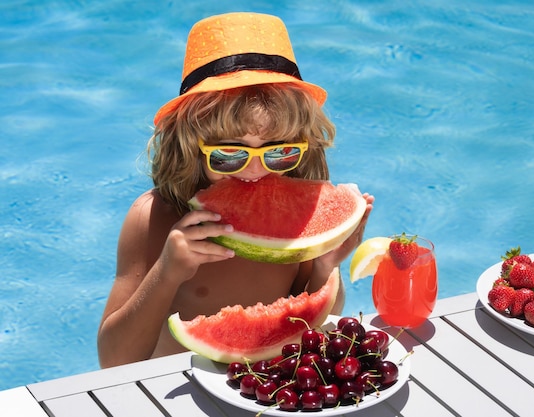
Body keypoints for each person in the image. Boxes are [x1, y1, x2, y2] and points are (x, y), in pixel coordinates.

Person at [97, 12, 373, 368]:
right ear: (189, 145)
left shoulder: (301, 214)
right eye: (229, 154)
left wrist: (324, 267)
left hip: (270, 393)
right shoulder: (153, 218)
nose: (255, 170)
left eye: (279, 151)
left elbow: (315, 320)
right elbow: (113, 361)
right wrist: (167, 272)